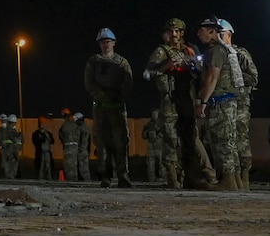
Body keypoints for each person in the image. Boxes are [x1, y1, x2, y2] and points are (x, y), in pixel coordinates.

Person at [142, 19, 198, 188]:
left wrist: (194, 65)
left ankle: (189, 175)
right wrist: (165, 66)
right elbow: (147, 73)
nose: (174, 35)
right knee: (171, 139)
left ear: (182, 33)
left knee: (188, 138)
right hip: (169, 102)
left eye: (177, 31)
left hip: (187, 100)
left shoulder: (190, 50)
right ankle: (172, 178)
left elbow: (200, 71)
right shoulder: (161, 51)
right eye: (171, 31)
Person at [194, 19, 245, 190]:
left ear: (210, 31)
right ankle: (236, 180)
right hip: (229, 101)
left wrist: (203, 101)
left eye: (200, 30)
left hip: (220, 102)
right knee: (229, 142)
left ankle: (227, 181)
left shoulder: (215, 50)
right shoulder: (225, 49)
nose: (198, 34)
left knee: (221, 142)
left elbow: (212, 77)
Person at [84, 29, 135, 187]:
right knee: (102, 142)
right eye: (103, 42)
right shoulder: (93, 62)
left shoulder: (122, 62)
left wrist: (117, 94)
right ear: (99, 44)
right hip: (100, 108)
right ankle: (105, 175)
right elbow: (89, 82)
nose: (106, 44)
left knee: (121, 142)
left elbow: (128, 81)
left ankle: (122, 175)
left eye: (108, 41)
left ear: (113, 43)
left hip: (117, 106)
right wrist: (101, 94)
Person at [219, 21, 259, 187]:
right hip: (224, 101)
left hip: (241, 101)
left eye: (222, 35)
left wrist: (236, 78)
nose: (219, 39)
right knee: (227, 138)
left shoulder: (240, 53)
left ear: (229, 35)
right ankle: (231, 176)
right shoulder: (216, 53)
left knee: (241, 138)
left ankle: (244, 176)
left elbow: (254, 77)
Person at [0, 114, 22, 179]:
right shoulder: (11, 131)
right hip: (10, 150)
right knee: (11, 166)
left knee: (7, 166)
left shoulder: (3, 130)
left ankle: (9, 177)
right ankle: (11, 177)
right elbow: (18, 141)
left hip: (6, 150)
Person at [142, 116, 166, 185]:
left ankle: (157, 178)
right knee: (154, 164)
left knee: (158, 164)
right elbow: (144, 135)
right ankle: (154, 179)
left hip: (157, 148)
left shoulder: (150, 125)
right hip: (155, 148)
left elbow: (144, 136)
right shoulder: (150, 125)